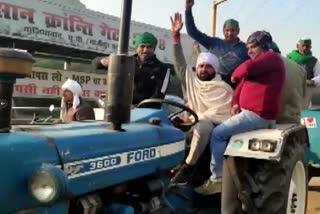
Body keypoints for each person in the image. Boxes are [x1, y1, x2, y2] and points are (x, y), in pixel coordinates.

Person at [194, 31, 285, 195]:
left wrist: (235, 74)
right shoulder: (260, 66)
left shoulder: (271, 58)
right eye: (248, 47)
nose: (249, 51)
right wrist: (236, 102)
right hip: (248, 113)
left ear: (264, 46)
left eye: (253, 47)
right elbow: (240, 88)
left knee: (217, 133)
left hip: (257, 114)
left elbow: (245, 69)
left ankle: (217, 179)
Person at [169, 12, 233, 186]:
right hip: (190, 124)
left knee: (203, 123)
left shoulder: (224, 89)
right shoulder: (192, 82)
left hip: (211, 128)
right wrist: (175, 38)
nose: (204, 69)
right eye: (201, 66)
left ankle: (188, 168)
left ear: (215, 70)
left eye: (208, 67)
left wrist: (195, 118)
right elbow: (181, 65)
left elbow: (223, 115)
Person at [93, 32, 173, 106]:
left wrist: (136, 108)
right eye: (142, 46)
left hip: (148, 113)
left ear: (154, 49)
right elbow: (95, 64)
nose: (145, 50)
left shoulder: (163, 68)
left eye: (149, 47)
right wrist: (103, 61)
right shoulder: (125, 62)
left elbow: (159, 96)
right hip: (119, 109)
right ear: (136, 48)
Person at [184, 0, 249, 88]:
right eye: (227, 30)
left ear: (238, 31)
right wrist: (188, 10)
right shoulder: (214, 43)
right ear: (223, 31)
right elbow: (192, 32)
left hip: (231, 91)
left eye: (233, 30)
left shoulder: (246, 49)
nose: (229, 33)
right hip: (211, 88)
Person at [287, 38, 320, 108]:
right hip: (290, 94)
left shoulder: (314, 61)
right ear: (297, 46)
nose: (305, 48)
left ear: (310, 48)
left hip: (307, 95)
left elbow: (319, 76)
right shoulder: (289, 59)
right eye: (303, 45)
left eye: (307, 46)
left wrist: (312, 81)